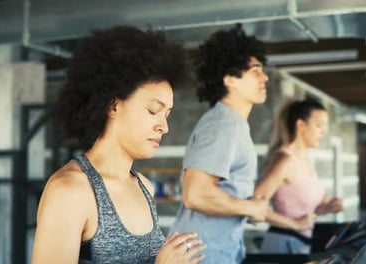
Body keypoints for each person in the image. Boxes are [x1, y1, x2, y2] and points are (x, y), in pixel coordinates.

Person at [31, 25, 206, 264]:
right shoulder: (70, 191)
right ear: (113, 105)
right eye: (153, 110)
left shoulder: (145, 187)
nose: (164, 127)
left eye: (167, 114)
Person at [168, 24, 270, 263]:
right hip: (202, 256)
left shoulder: (233, 124)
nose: (265, 77)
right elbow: (195, 194)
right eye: (256, 71)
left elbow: (220, 194)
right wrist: (250, 209)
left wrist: (251, 208)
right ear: (231, 79)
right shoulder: (224, 124)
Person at [254, 99, 344, 254]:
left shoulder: (305, 159)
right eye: (318, 125)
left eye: (325, 126)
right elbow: (254, 205)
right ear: (301, 125)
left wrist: (328, 207)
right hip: (282, 244)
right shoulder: (285, 159)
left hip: (301, 244)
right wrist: (295, 224)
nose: (324, 131)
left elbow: (307, 209)